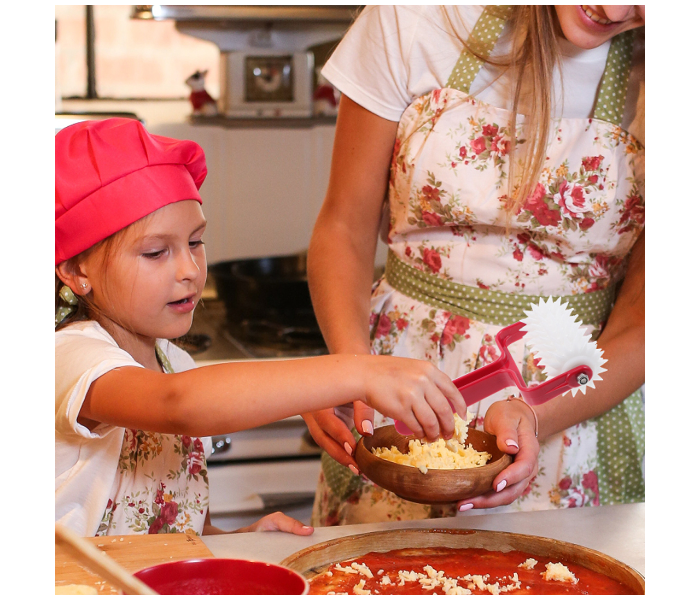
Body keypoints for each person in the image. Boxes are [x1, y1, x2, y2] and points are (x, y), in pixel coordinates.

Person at [303, 5, 645, 526]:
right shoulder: (416, 17)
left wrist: (535, 414)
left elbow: (641, 320)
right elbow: (342, 229)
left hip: (573, 415)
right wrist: (351, 369)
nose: (617, 10)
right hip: (393, 390)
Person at [54, 117, 470, 538]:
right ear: (75, 270)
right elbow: (179, 405)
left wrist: (239, 541)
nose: (190, 269)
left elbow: (184, 530)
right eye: (156, 251)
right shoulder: (72, 356)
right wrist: (361, 372)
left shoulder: (175, 363)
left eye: (195, 242)